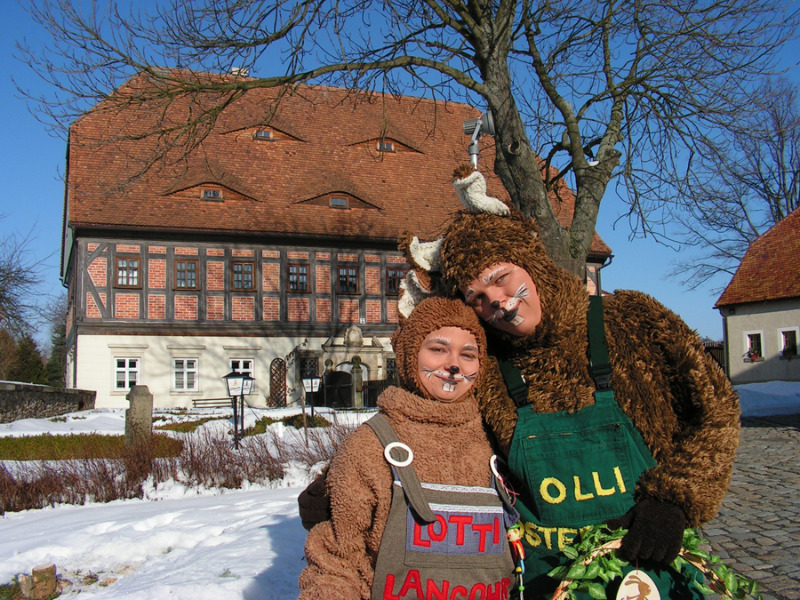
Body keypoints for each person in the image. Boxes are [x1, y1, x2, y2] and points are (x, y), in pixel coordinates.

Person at [430, 166, 741, 597]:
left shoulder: (632, 321)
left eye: (501, 278)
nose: (497, 302)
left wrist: (674, 499)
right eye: (477, 298)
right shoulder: (487, 373)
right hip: (547, 580)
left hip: (649, 569)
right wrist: (355, 477)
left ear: (531, 263)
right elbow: (436, 437)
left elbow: (717, 410)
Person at [298, 296, 518, 600]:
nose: (453, 365)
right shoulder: (370, 444)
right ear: (410, 355)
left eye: (468, 354)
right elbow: (339, 562)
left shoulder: (498, 439)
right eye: (438, 349)